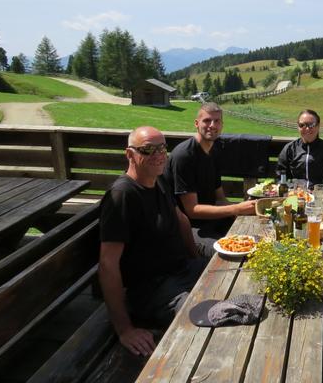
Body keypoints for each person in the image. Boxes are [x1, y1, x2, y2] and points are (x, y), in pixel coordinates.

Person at [99, 126, 207, 357]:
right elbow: (108, 265)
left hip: (181, 271)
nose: (158, 155)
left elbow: (181, 220)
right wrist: (125, 329)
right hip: (152, 290)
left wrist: (198, 261)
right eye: (148, 150)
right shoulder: (122, 196)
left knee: (231, 276)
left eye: (162, 148)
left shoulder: (158, 180)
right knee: (204, 316)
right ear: (130, 154)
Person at [164, 102, 256, 257]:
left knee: (252, 236)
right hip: (189, 227)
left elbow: (219, 198)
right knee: (226, 254)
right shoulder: (184, 156)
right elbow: (192, 211)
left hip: (213, 220)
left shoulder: (213, 150)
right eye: (207, 120)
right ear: (196, 123)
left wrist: (245, 211)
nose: (212, 125)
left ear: (222, 125)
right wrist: (236, 209)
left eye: (217, 121)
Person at [276, 109, 323, 189]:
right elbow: (280, 176)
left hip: (319, 195)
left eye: (311, 125)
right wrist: (291, 188)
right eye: (302, 125)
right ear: (298, 127)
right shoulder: (289, 148)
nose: (307, 129)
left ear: (318, 126)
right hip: (295, 195)